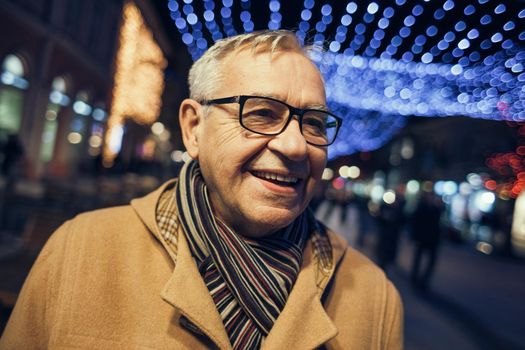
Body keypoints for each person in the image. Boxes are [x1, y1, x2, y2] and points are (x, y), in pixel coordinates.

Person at [1, 30, 403, 349]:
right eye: (262, 113)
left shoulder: (373, 298)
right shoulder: (80, 250)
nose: (296, 145)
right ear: (194, 128)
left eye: (313, 123)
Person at [410, 191, 443, 292]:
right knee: (418, 259)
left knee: (431, 261)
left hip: (432, 240)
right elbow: (415, 222)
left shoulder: (437, 209)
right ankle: (414, 278)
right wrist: (415, 236)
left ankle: (423, 281)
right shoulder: (422, 207)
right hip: (422, 238)